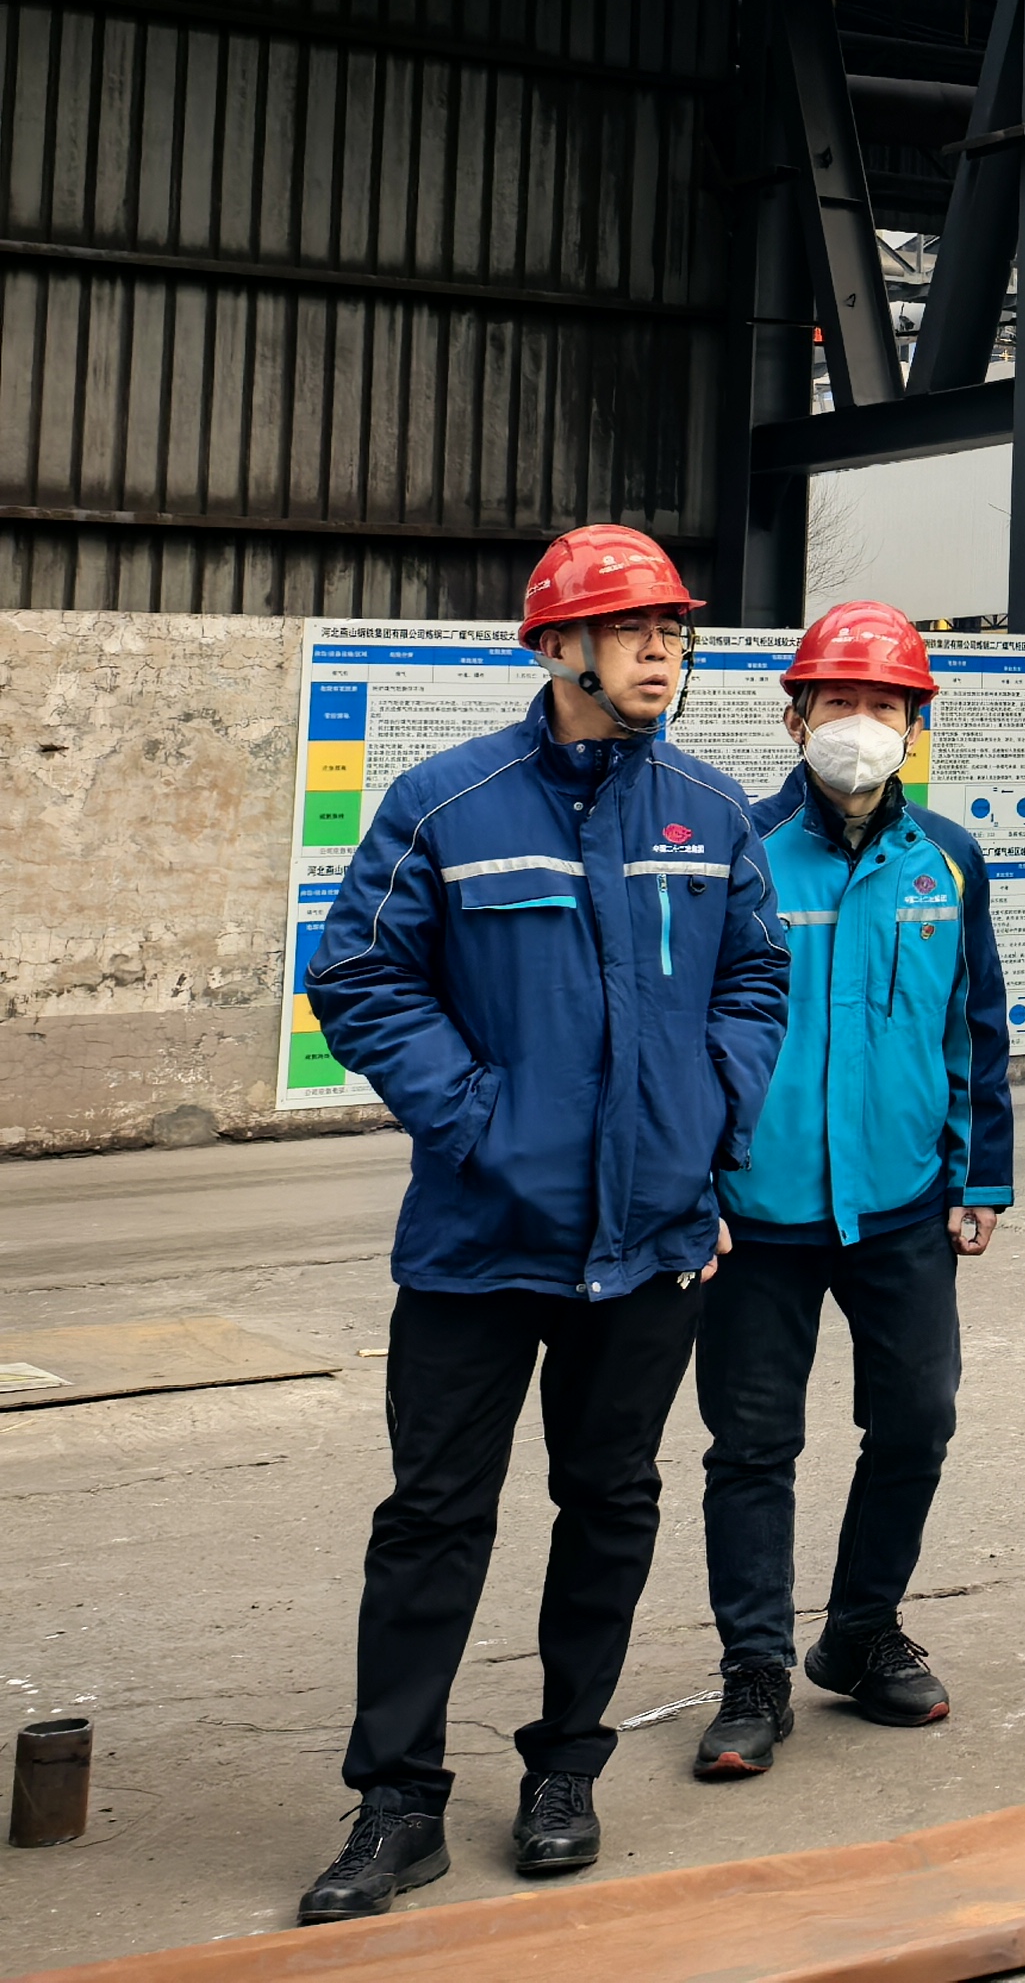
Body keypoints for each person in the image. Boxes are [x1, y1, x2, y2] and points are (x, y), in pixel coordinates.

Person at [295, 526, 788, 1922]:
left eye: (674, 630)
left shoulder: (711, 810)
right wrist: (476, 1121)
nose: (661, 652)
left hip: (651, 1246)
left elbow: (754, 981)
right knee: (434, 1517)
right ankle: (398, 1802)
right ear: (559, 646)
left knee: (610, 1505)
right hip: (478, 1241)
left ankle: (565, 1768)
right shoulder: (449, 804)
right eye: (633, 629)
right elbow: (359, 974)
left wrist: (708, 1125)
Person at [690, 602, 1014, 1779]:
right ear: (796, 718)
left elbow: (974, 1023)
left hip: (902, 1205)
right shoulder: (736, 848)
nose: (861, 723)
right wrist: (692, 1185)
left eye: (885, 704)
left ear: (915, 725)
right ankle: (755, 1670)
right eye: (839, 701)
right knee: (752, 1445)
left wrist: (982, 1172)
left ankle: (862, 1632)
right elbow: (686, 1030)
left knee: (916, 1421)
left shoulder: (949, 858)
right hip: (755, 1214)